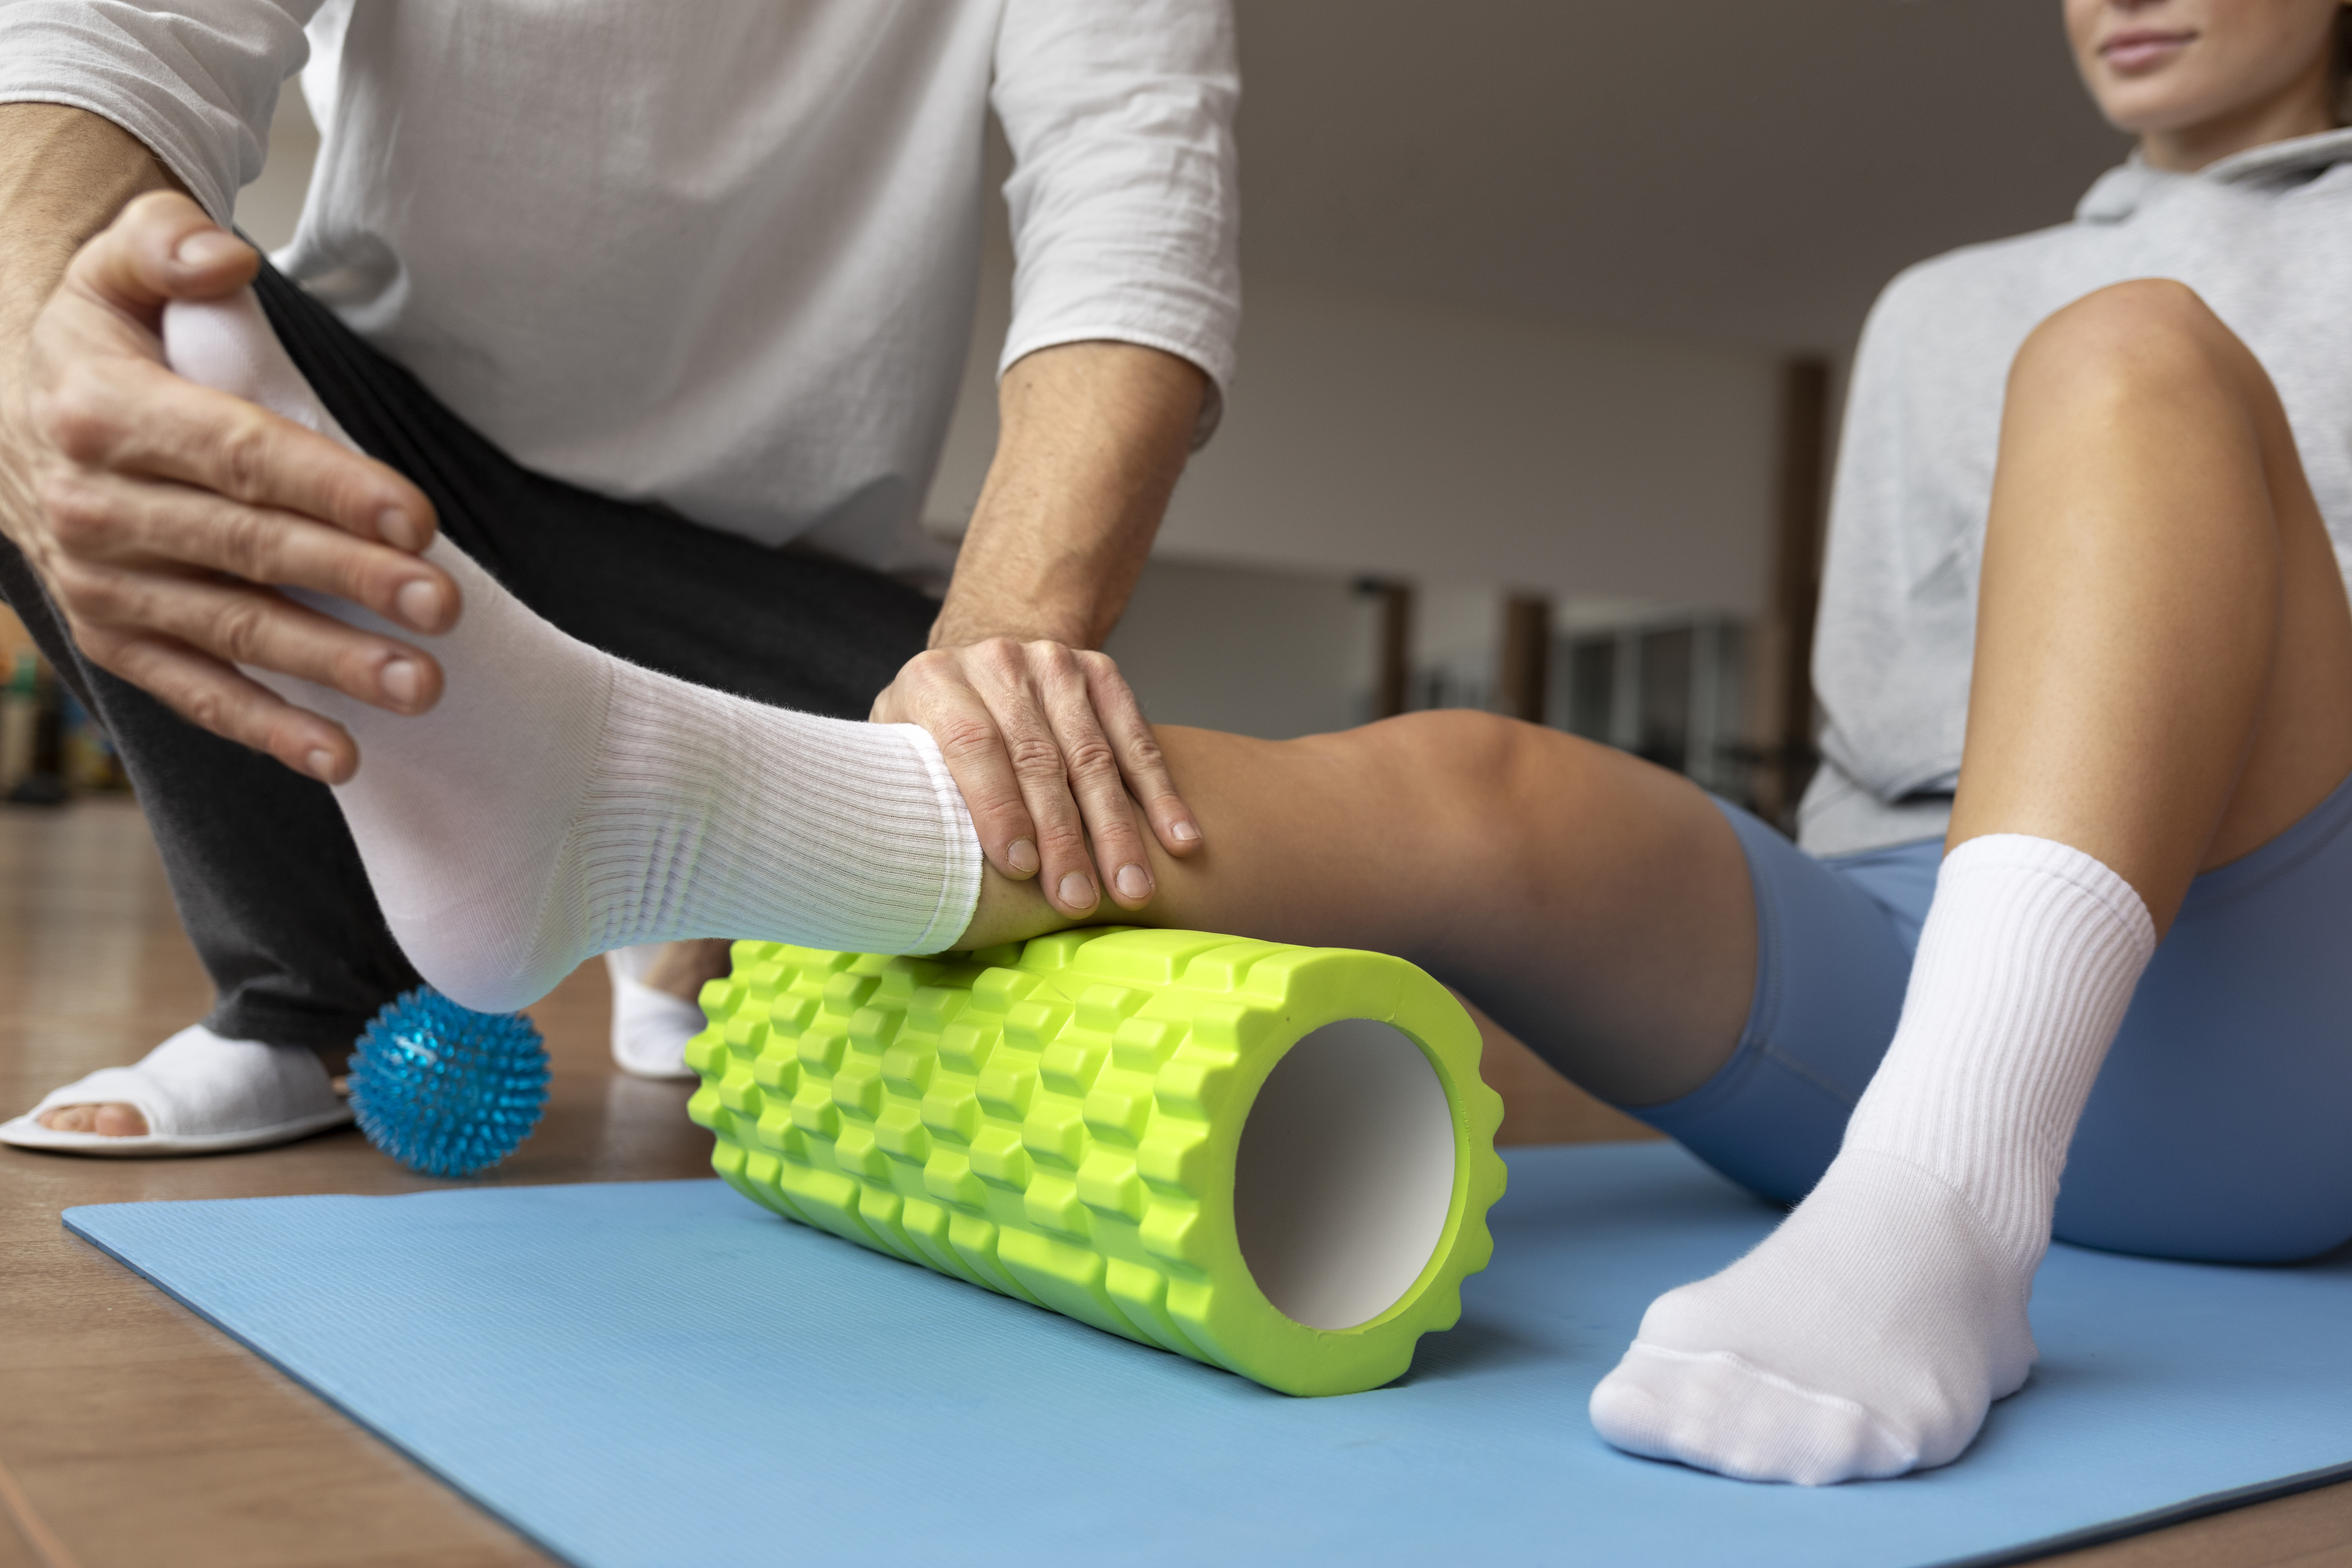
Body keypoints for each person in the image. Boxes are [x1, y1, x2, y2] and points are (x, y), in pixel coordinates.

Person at [11, 0, 2349, 1491]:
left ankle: (1950, 1197)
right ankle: (620, 816)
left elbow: (1139, 188)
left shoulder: (2111, 325)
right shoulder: (1939, 310)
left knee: (2127, 354)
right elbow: (1892, 749)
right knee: (1474, 786)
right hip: (1906, 966)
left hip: (2262, 991)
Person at [0, 1, 1238, 1152]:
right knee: (105, 307)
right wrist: (33, 352)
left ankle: (662, 889)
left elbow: (1132, 192)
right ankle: (309, 996)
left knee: (1082, 813)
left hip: (771, 584)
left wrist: (990, 664)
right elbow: (111, 34)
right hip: (398, 491)